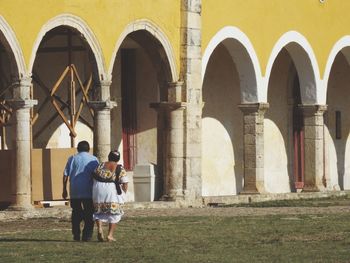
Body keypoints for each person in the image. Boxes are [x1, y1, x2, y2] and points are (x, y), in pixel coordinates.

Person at [62, 140, 99, 242]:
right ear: (88, 149)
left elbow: (65, 175)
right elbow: (97, 175)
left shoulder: (72, 158)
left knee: (76, 213)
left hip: (75, 191)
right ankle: (87, 235)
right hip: (89, 191)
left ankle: (76, 234)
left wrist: (64, 189)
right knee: (89, 213)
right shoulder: (94, 159)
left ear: (78, 149)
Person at [92, 150, 128, 242]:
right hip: (111, 189)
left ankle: (99, 228)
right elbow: (125, 183)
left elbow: (94, 174)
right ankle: (110, 235)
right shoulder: (119, 168)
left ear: (109, 157)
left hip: (98, 188)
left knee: (98, 210)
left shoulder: (100, 165)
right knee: (114, 212)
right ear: (118, 159)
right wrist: (123, 193)